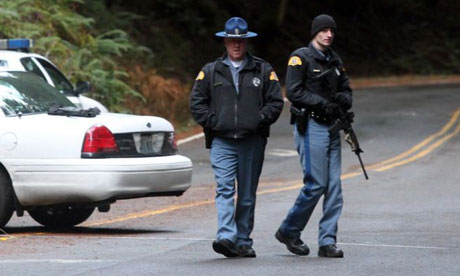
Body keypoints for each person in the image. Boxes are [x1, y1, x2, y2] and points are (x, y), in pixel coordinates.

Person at [190, 17, 284, 258]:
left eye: (241, 41)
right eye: (232, 40)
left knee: (247, 194)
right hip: (222, 141)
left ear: (246, 42)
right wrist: (215, 122)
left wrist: (258, 120)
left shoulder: (262, 69)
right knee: (224, 189)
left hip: (252, 141)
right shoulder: (211, 71)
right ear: (225, 41)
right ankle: (226, 236)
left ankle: (243, 241)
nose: (236, 45)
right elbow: (197, 103)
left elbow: (275, 101)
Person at [275, 14, 352, 258]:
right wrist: (322, 104)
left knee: (334, 188)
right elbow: (294, 92)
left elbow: (346, 89)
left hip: (332, 128)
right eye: (324, 30)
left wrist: (345, 100)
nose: (329, 34)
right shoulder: (300, 58)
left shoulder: (335, 60)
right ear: (315, 32)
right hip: (311, 126)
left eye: (332, 30)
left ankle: (327, 241)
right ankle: (289, 230)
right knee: (316, 183)